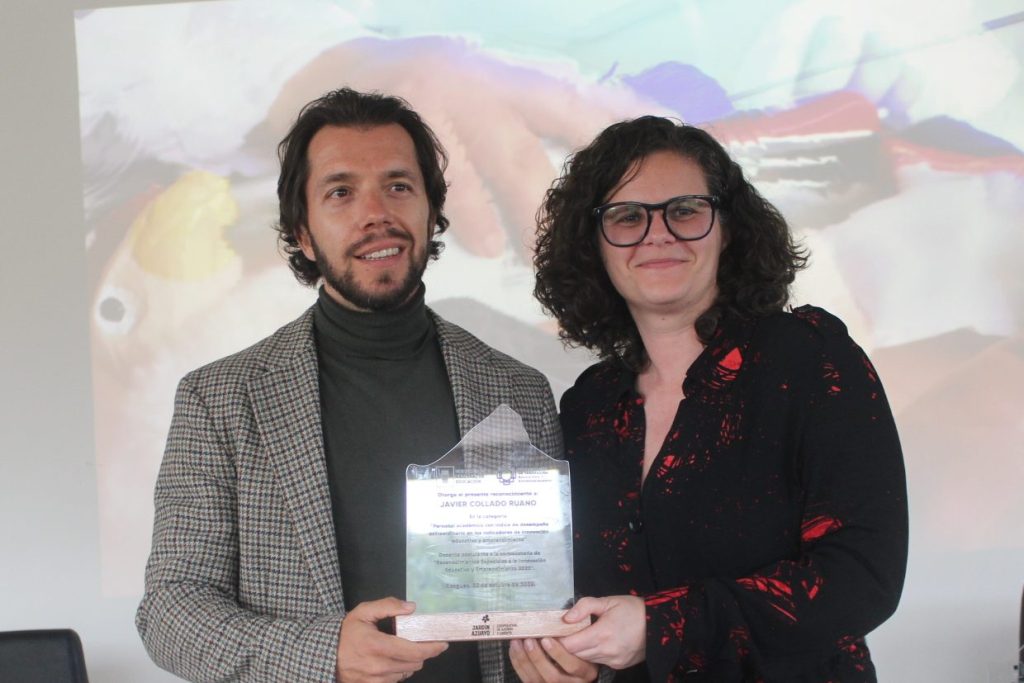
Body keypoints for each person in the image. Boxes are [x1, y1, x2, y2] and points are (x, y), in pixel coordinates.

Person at [135, 87, 563, 683]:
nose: (375, 213)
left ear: (431, 211)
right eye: (340, 192)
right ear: (303, 232)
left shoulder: (519, 390)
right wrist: (324, 653)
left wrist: (568, 660)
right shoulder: (220, 400)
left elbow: (545, 603)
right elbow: (170, 611)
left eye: (399, 186)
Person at [513, 116, 908, 682]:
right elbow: (591, 596)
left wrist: (663, 626)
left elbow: (863, 577)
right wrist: (572, 655)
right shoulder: (589, 407)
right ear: (592, 245)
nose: (657, 234)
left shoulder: (809, 361)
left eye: (685, 210)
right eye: (627, 217)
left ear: (728, 228)